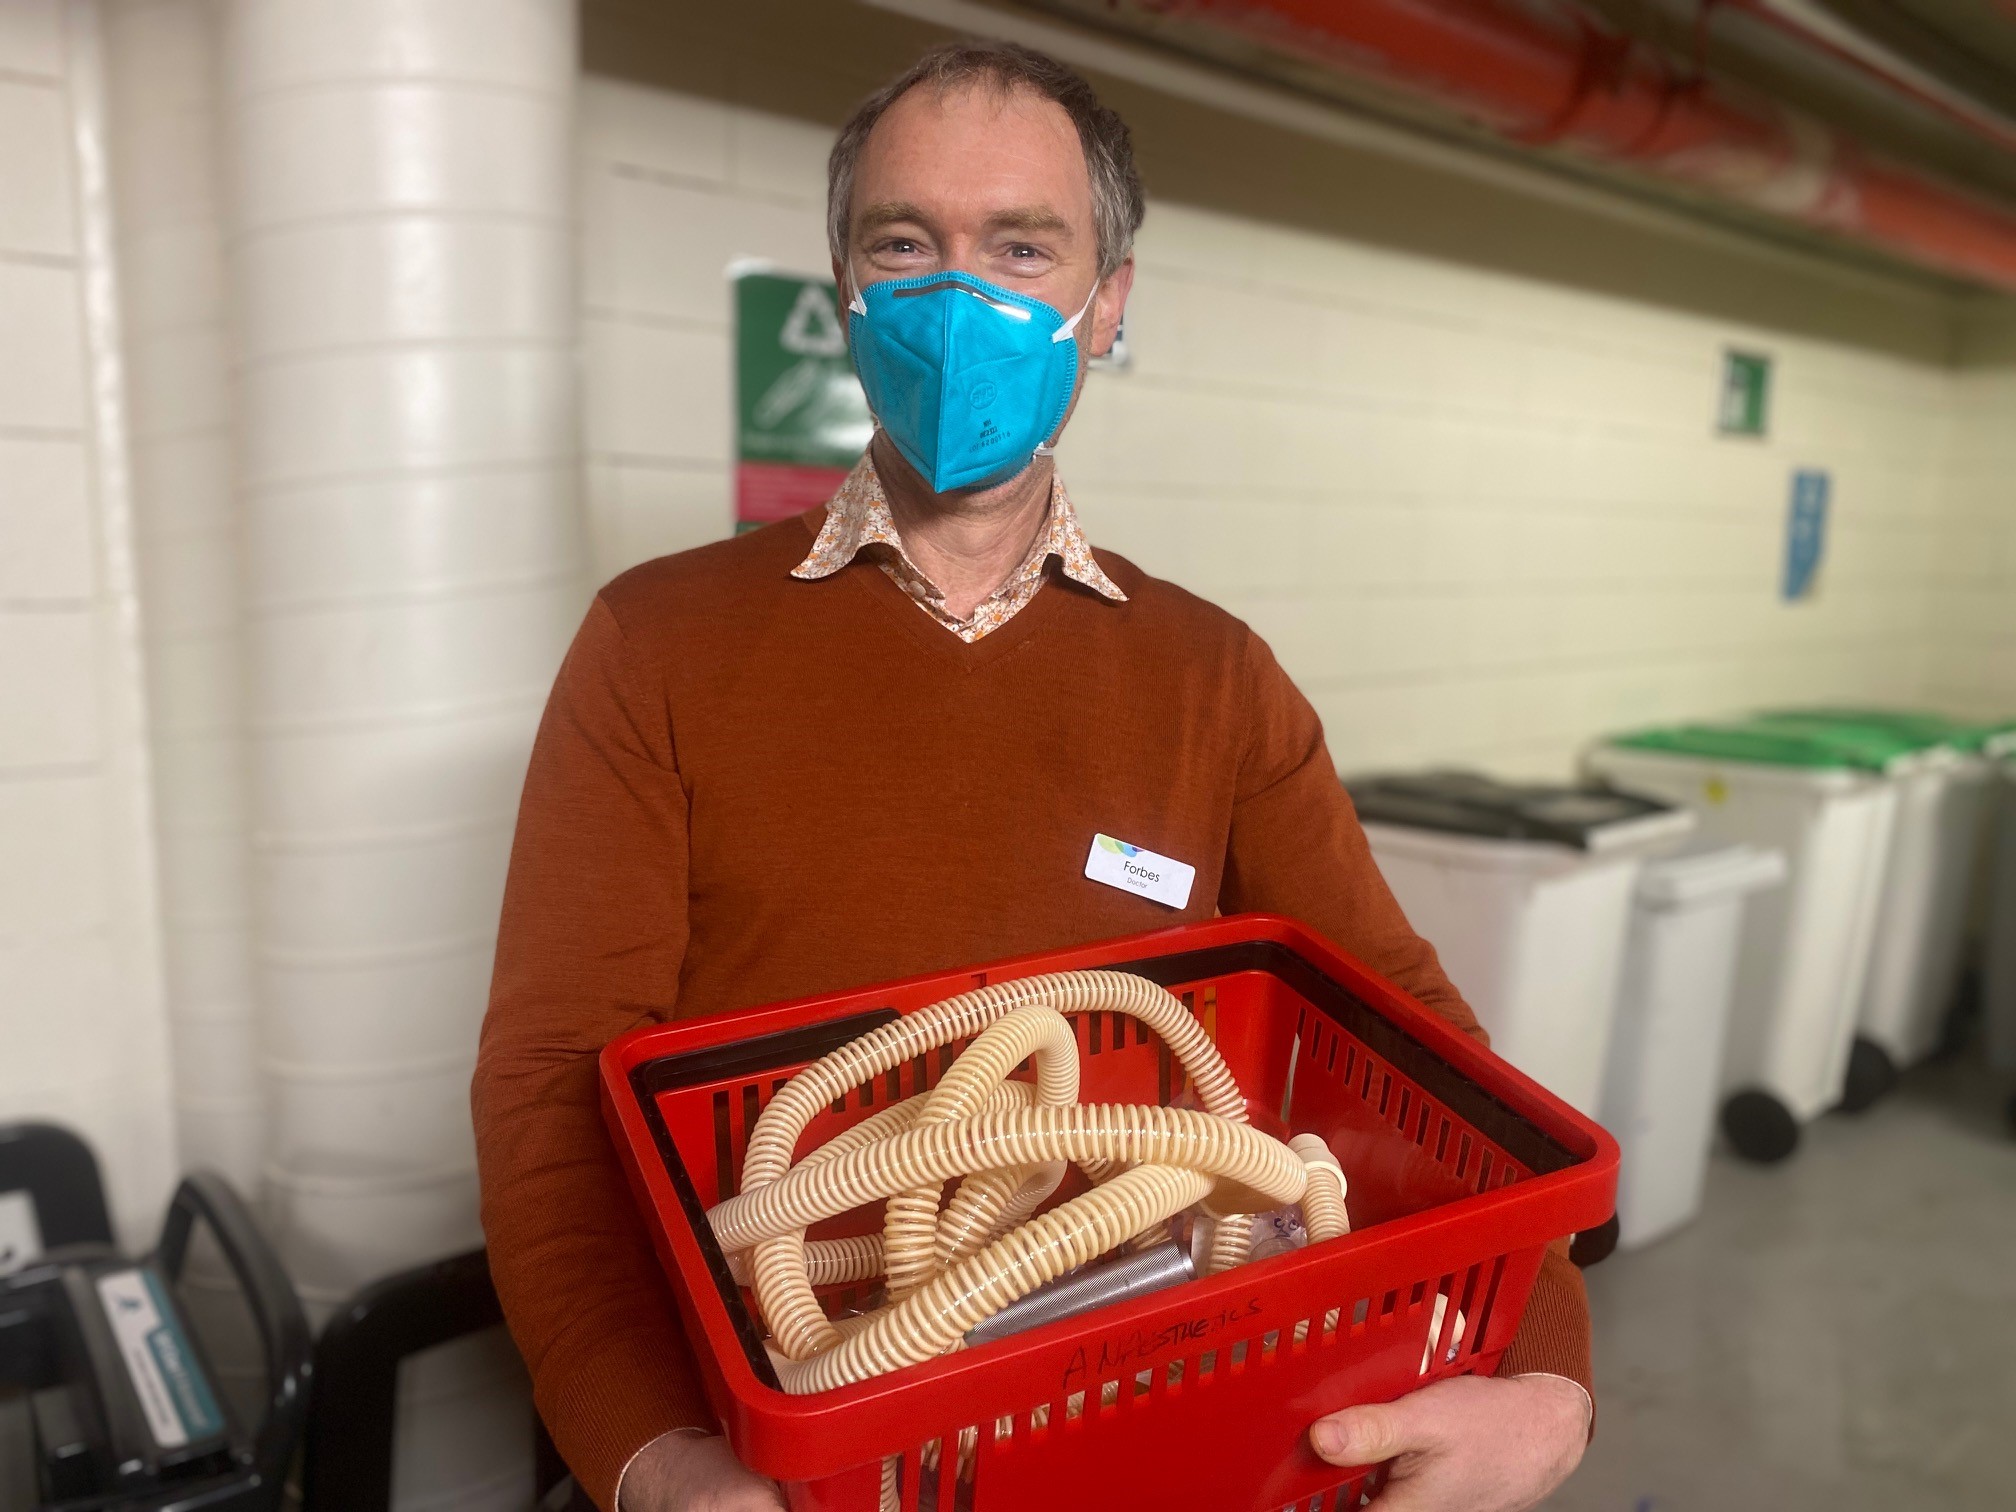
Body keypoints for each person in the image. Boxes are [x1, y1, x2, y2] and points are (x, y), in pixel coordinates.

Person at [474, 39, 1593, 1512]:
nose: (960, 296)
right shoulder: (657, 642)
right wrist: (650, 1457)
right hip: (797, 1426)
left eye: (1021, 246)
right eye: (904, 243)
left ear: (1106, 302)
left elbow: (1419, 1034)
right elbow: (554, 1089)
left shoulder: (1215, 678)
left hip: (1152, 1408)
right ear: (847, 293)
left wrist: (1548, 1382)